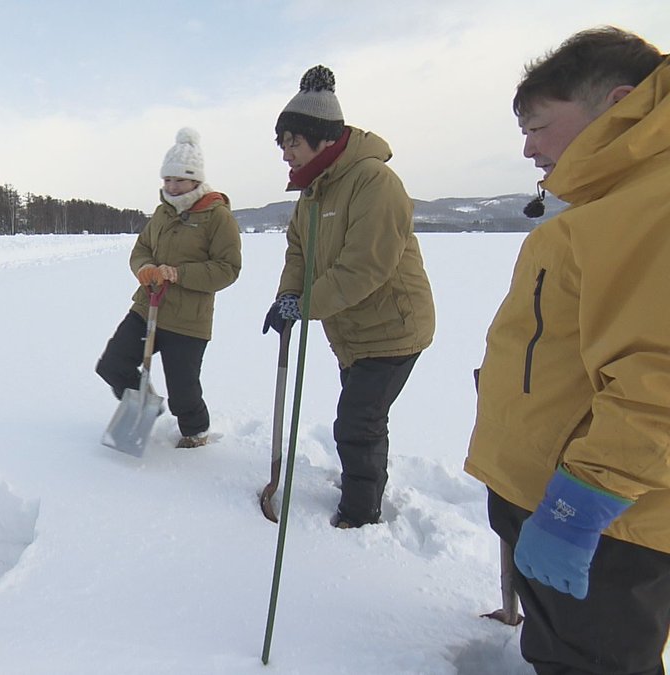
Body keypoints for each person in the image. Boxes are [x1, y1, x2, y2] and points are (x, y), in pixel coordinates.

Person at [464, 27, 669, 675]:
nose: (528, 148)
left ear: (617, 103)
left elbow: (657, 380)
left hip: (606, 522)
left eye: (539, 126)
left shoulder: (651, 205)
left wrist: (581, 504)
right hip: (559, 492)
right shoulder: (615, 201)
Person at [262, 65, 435, 529]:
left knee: (357, 422)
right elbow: (298, 252)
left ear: (322, 138)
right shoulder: (313, 193)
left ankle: (360, 514)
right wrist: (287, 296)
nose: (285, 154)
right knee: (363, 418)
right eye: (282, 145)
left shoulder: (374, 181)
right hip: (353, 331)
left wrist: (306, 305)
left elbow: (365, 267)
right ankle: (364, 482)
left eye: (292, 142)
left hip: (393, 329)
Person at [96, 127, 242, 448]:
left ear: (196, 180)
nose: (172, 187)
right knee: (113, 364)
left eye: (179, 180)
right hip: (148, 306)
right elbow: (141, 249)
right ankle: (145, 406)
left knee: (183, 391)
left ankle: (196, 432)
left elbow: (228, 268)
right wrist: (145, 268)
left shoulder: (217, 217)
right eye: (167, 180)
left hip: (188, 319)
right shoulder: (162, 213)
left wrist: (179, 274)